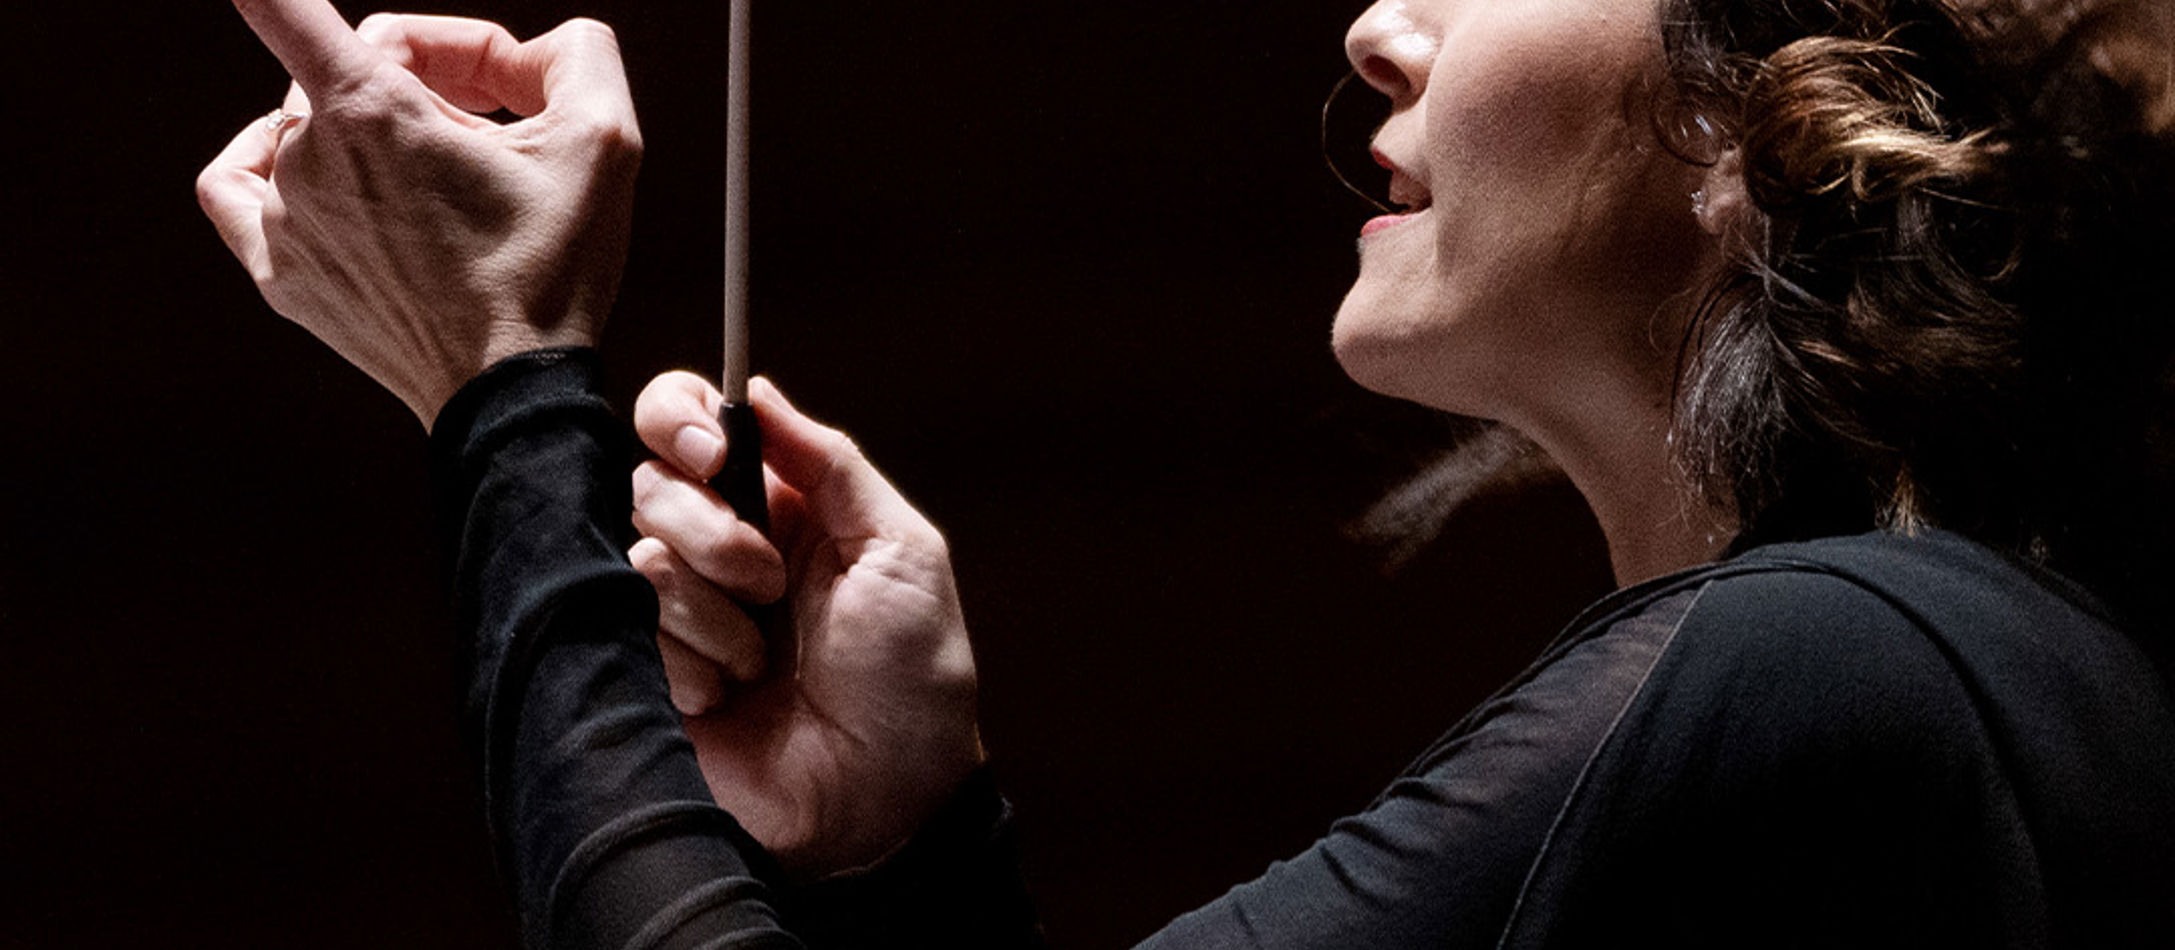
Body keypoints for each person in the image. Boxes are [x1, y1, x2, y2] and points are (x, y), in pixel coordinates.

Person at [197, 0, 2175, 945]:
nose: (1378, 26)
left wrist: (505, 385)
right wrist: (901, 848)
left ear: (1781, 108)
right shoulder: (1933, 666)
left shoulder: (1828, 669)